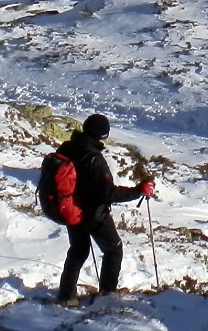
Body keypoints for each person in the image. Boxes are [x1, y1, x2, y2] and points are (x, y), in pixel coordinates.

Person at [56, 112, 154, 304]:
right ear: (102, 136)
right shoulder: (95, 158)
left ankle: (66, 296)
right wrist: (138, 191)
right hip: (93, 213)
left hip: (69, 208)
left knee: (78, 250)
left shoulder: (67, 147)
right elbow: (108, 193)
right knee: (114, 250)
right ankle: (107, 296)